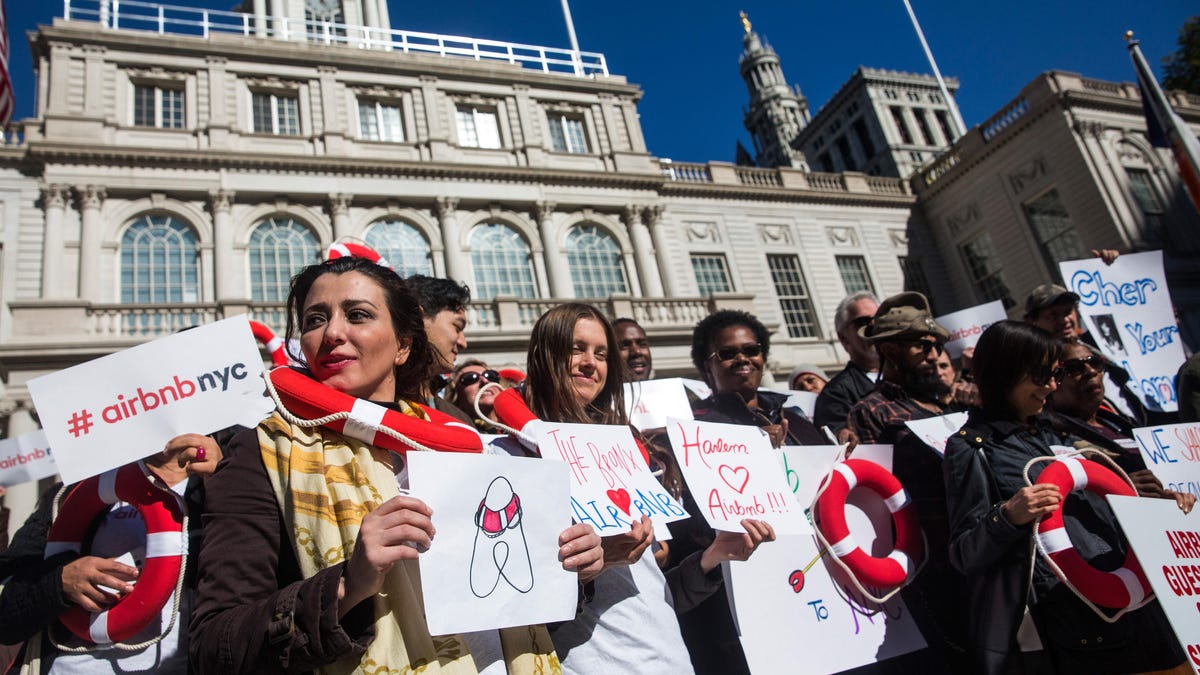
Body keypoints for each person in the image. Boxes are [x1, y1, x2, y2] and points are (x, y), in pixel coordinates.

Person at [189, 256, 602, 673]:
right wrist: (348, 584)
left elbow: (511, 599)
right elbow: (214, 647)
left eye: (358, 315)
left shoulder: (466, 446)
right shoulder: (261, 452)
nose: (332, 332)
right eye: (315, 320)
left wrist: (571, 570)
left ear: (404, 344)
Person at [514, 303, 772, 674]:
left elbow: (654, 592)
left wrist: (712, 558)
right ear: (544, 355)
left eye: (601, 353)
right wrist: (590, 567)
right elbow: (515, 601)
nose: (591, 362)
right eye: (576, 349)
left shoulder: (621, 456)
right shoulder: (513, 459)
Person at [943, 321, 1187, 675]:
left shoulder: (1059, 431)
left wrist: (1146, 500)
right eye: (1042, 374)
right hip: (1073, 626)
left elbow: (1094, 507)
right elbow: (964, 554)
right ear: (1005, 372)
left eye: (1055, 373)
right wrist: (1008, 516)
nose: (1052, 385)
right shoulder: (971, 448)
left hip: (1139, 611)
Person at [0, 433, 225, 673]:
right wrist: (60, 582)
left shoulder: (225, 485)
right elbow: (7, 615)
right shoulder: (69, 494)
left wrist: (226, 485)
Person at [1045, 341, 1195, 512]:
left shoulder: (1117, 422)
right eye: (1074, 368)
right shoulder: (1056, 438)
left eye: (1095, 363)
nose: (1091, 372)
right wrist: (1119, 488)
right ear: (1052, 380)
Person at [690, 309, 826, 447]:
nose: (742, 358)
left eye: (751, 350)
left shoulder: (797, 420)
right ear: (708, 369)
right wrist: (751, 447)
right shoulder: (696, 426)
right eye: (727, 353)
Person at [405, 274, 474, 425]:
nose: (463, 343)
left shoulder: (461, 421)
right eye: (457, 327)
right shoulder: (374, 406)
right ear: (417, 318)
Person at [814, 292, 880, 440]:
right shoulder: (836, 394)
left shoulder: (911, 374)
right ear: (843, 338)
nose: (873, 326)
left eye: (879, 319)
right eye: (863, 322)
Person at [446, 359, 504, 432]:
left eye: (490, 375)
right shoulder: (454, 431)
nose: (485, 381)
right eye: (470, 378)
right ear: (456, 395)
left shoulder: (520, 426)